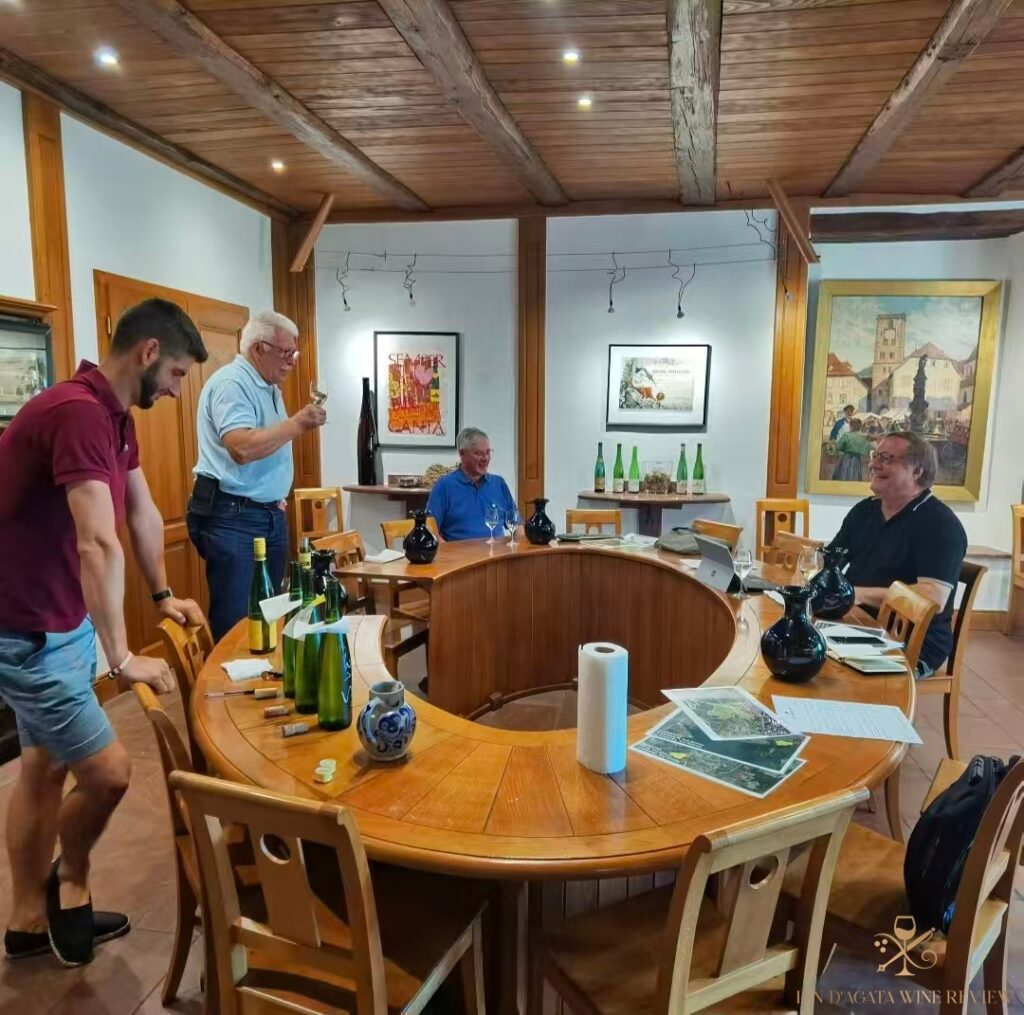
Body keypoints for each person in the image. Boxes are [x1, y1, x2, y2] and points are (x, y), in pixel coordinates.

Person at [0, 298, 208, 967]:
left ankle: (26, 922)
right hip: (24, 629)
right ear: (148, 352)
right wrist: (120, 656)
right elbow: (96, 541)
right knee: (111, 773)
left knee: (43, 767)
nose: (175, 390)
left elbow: (141, 511)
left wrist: (163, 595)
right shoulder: (77, 413)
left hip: (57, 618)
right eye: (175, 374)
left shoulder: (114, 415)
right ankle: (70, 878)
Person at [186, 310, 326, 641]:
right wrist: (298, 423)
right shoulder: (232, 384)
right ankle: (227, 675)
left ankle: (264, 672)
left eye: (294, 353)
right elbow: (242, 447)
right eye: (286, 352)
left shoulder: (267, 387)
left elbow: (267, 449)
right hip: (233, 517)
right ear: (258, 349)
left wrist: (273, 497)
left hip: (264, 513)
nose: (291, 361)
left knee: (269, 615)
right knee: (238, 623)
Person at [832, 431, 967, 678]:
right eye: (875, 456)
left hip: (912, 642)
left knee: (831, 674)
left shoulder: (941, 525)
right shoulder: (865, 511)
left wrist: (856, 594)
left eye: (886, 458)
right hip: (856, 623)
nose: (873, 464)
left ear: (917, 471)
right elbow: (830, 560)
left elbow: (933, 597)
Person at [426, 427, 517, 541]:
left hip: (497, 551)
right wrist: (446, 550)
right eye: (478, 453)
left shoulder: (499, 483)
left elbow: (516, 525)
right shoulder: (444, 486)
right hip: (460, 552)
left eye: (488, 452)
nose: (485, 458)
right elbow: (430, 529)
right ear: (462, 454)